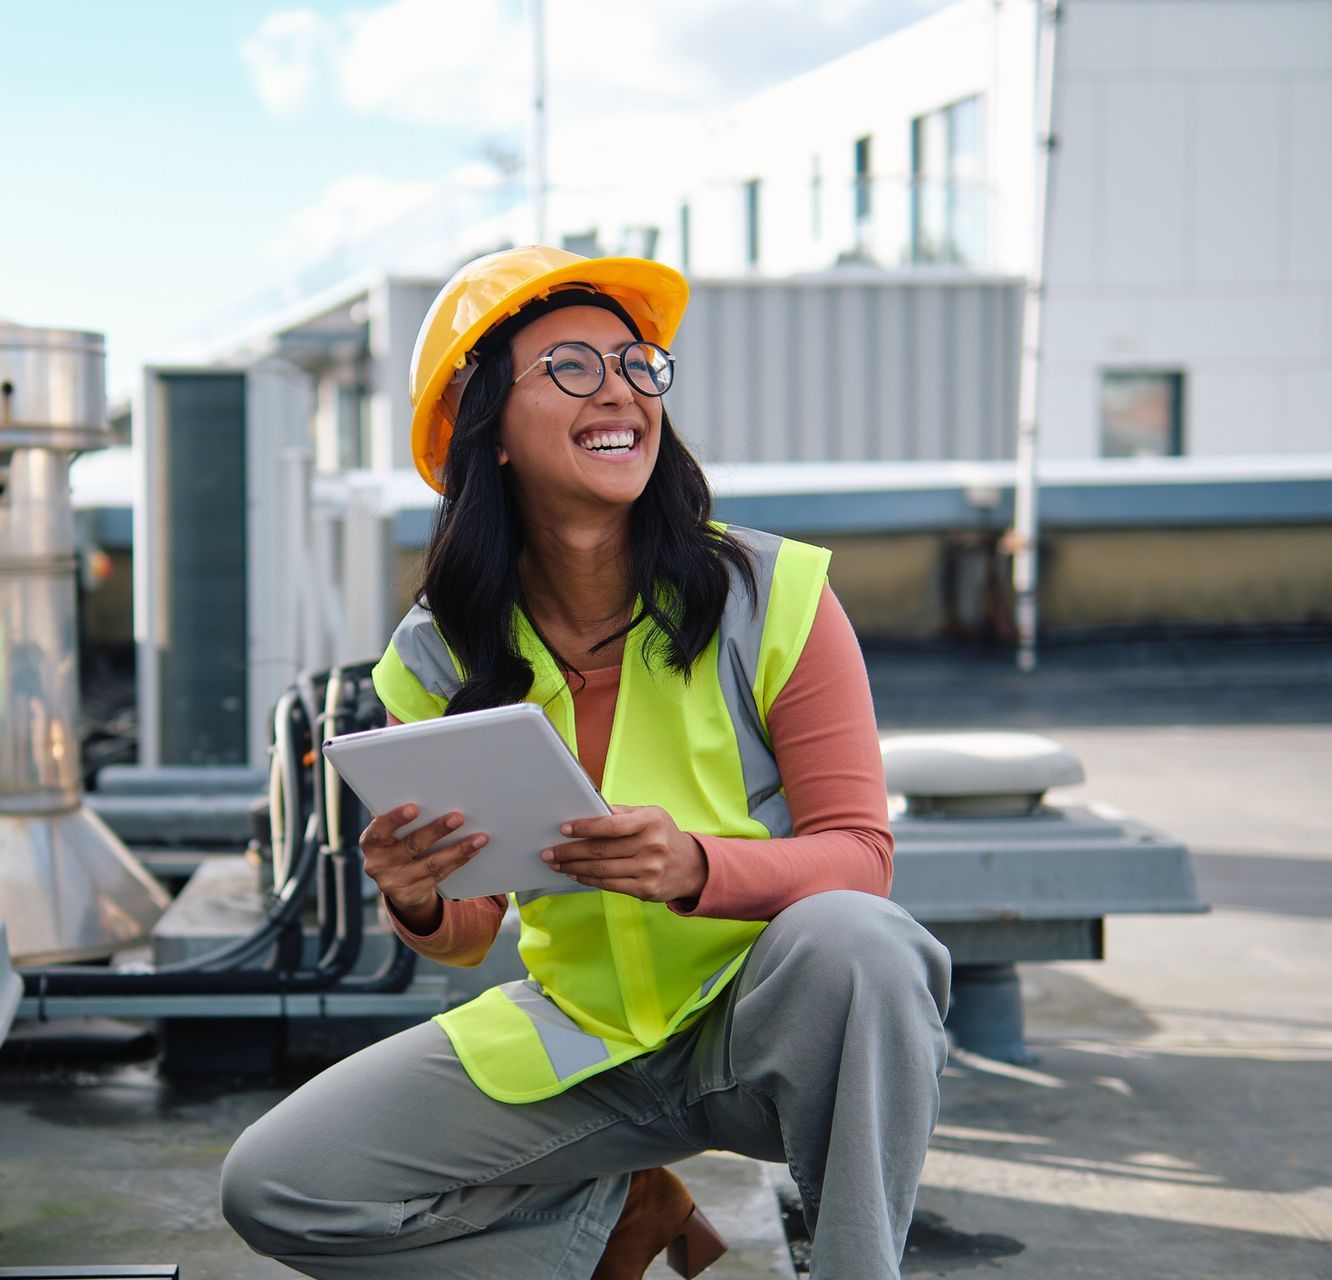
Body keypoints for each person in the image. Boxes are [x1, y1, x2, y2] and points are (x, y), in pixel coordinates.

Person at [221, 246, 950, 1279]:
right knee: (278, 1185)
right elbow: (469, 936)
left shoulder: (774, 593)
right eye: (571, 367)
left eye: (637, 364)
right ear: (490, 428)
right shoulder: (432, 654)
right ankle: (614, 1218)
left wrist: (696, 865)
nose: (620, 390)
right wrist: (417, 894)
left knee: (863, 941)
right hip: (577, 1040)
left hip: (756, 1027)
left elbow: (860, 856)